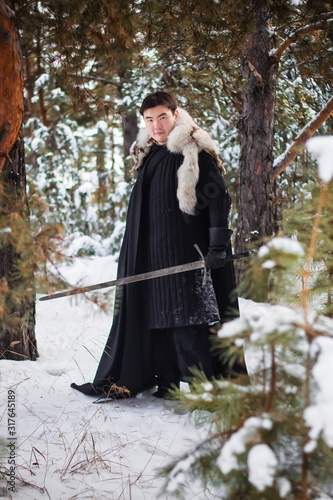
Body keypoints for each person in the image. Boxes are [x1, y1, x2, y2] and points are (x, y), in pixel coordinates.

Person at [71, 91, 247, 400]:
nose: (156, 125)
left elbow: (219, 197)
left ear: (175, 115)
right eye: (149, 120)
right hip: (152, 257)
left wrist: (218, 244)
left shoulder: (193, 151)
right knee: (157, 319)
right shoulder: (149, 154)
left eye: (162, 117)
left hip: (185, 254)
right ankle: (167, 384)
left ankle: (207, 390)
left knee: (186, 323)